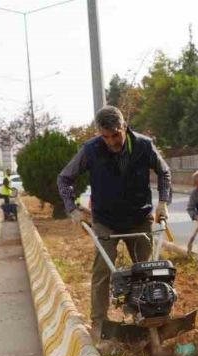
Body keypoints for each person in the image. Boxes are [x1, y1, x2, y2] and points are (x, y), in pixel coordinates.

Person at [57, 105, 172, 342]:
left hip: (139, 218)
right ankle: (99, 323)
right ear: (100, 134)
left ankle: (149, 314)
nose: (111, 141)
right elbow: (65, 178)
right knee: (102, 271)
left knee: (148, 270)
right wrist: (72, 209)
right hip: (106, 221)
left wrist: (163, 202)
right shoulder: (90, 150)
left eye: (115, 135)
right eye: (105, 136)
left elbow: (164, 172)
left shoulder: (143, 145)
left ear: (124, 128)